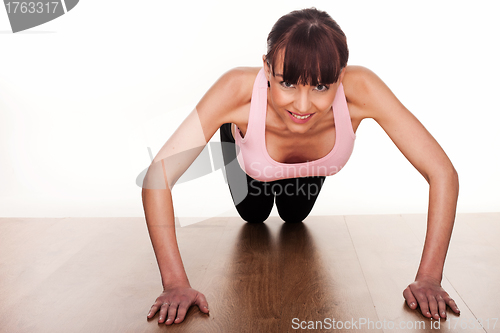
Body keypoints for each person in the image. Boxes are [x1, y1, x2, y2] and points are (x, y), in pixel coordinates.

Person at [141, 7, 460, 325]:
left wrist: (429, 277)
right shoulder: (234, 90)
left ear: (342, 74)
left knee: (294, 216)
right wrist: (175, 283)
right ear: (266, 69)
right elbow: (158, 177)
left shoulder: (362, 89)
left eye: (321, 87)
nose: (303, 106)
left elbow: (442, 173)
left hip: (310, 170)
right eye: (288, 84)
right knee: (254, 215)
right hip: (253, 160)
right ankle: (236, 132)